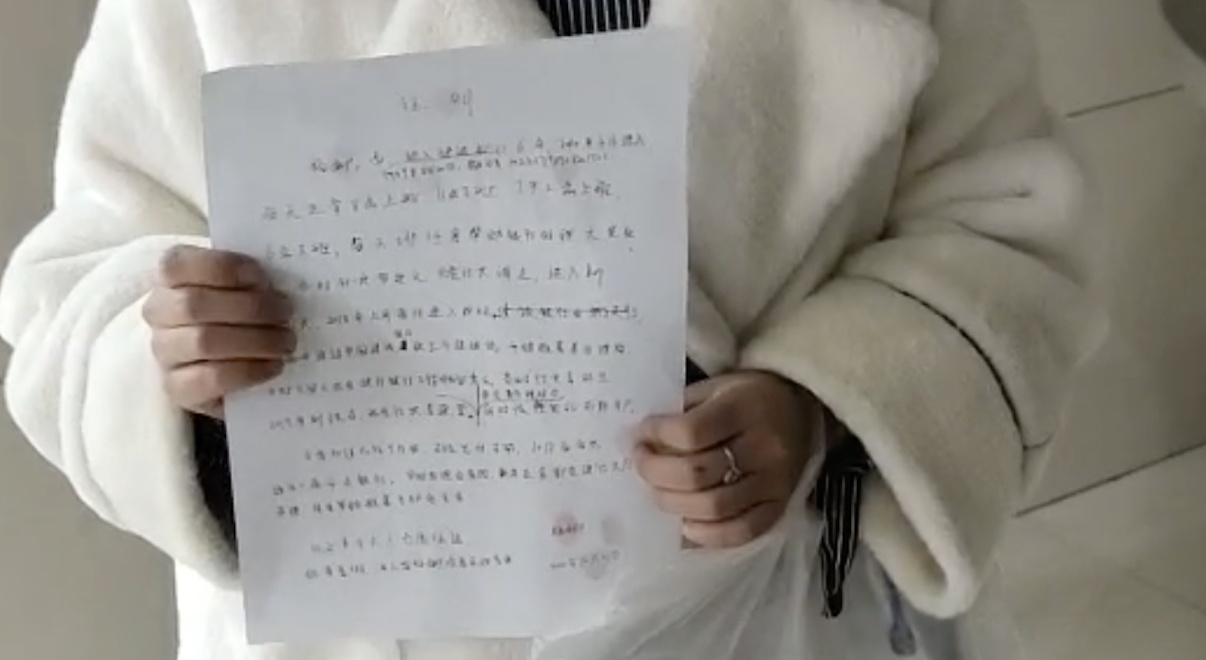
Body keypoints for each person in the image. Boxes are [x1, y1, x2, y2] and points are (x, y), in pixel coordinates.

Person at [0, 0, 1102, 658]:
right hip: (372, 623)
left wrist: (818, 402)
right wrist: (171, 358)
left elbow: (1000, 227)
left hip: (766, 614)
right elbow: (78, 276)